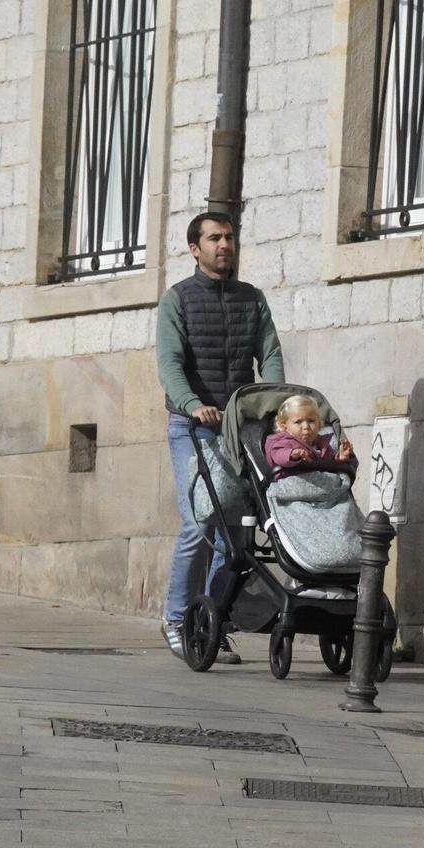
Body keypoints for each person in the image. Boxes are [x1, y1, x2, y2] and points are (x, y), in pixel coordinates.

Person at [156, 210, 284, 663]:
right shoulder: (178, 300)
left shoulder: (252, 299)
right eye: (214, 238)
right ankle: (175, 618)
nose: (224, 245)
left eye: (229, 237)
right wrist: (193, 404)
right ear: (195, 248)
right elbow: (170, 365)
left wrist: (274, 406)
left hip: (239, 429)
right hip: (192, 427)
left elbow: (269, 355)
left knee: (234, 532)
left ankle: (209, 622)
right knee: (198, 523)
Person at [264, 392, 352, 480]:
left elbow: (329, 463)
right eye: (298, 422)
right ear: (284, 426)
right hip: (294, 482)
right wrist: (291, 455)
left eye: (311, 421)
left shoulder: (322, 444)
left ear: (319, 423)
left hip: (324, 483)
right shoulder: (283, 441)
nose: (306, 426)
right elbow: (277, 455)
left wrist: (341, 458)